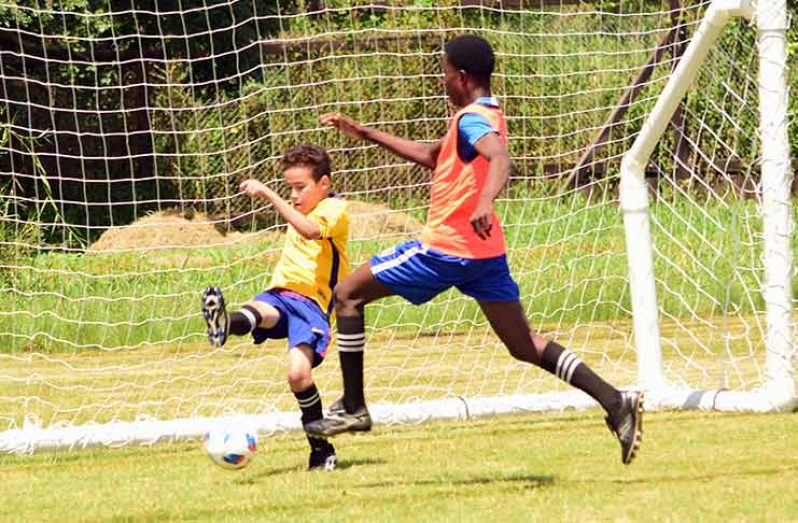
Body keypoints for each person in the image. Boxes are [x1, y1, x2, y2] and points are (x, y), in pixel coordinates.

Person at [305, 35, 644, 465]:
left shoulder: (471, 121)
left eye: (445, 74)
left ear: (462, 78)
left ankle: (353, 405)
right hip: (485, 255)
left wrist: (484, 200)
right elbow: (434, 156)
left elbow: (500, 159)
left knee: (347, 294)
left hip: (446, 249)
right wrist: (365, 131)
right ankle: (616, 403)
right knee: (523, 345)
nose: (442, 81)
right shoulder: (485, 113)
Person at [201, 143, 349, 471]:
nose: (294, 195)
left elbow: (310, 231)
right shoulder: (302, 208)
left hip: (313, 306)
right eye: (289, 189)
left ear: (324, 183)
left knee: (298, 376)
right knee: (258, 312)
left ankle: (321, 449)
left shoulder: (334, 210)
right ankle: (226, 323)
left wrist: (270, 195)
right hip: (281, 293)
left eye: (300, 187)